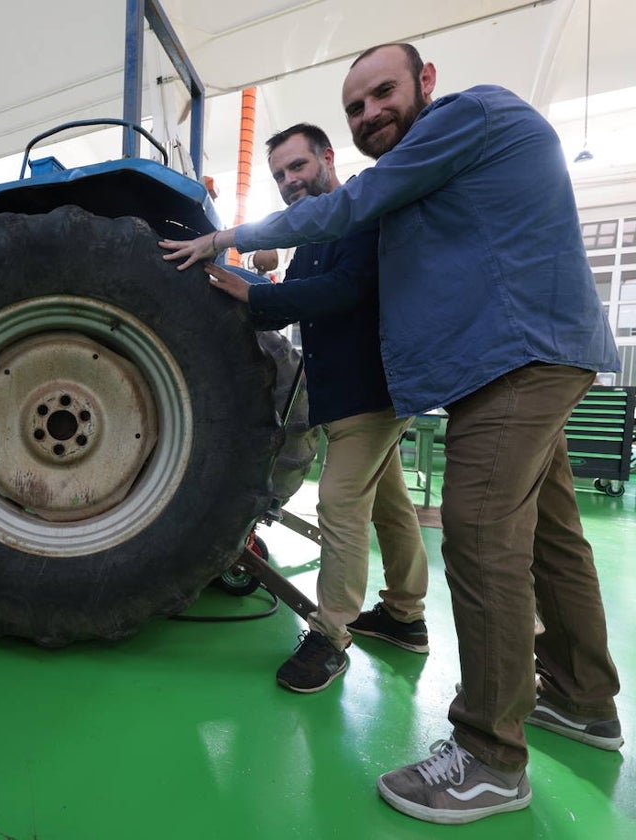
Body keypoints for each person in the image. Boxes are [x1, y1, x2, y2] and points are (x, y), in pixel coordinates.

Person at [161, 44, 623, 825]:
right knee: (552, 536)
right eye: (357, 105)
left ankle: (488, 758)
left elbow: (346, 223)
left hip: (514, 358)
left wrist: (222, 238)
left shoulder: (461, 118)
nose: (372, 111)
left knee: (478, 539)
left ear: (425, 83)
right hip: (519, 354)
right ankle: (582, 700)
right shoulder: (432, 176)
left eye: (383, 93)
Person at [206, 123, 429, 694]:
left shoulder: (360, 214)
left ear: (328, 158)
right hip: (345, 395)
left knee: (339, 502)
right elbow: (283, 310)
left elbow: (344, 290)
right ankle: (406, 616)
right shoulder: (313, 237)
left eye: (298, 166)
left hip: (371, 393)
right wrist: (232, 287)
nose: (289, 181)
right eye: (280, 175)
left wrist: (255, 292)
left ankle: (331, 638)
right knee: (390, 505)